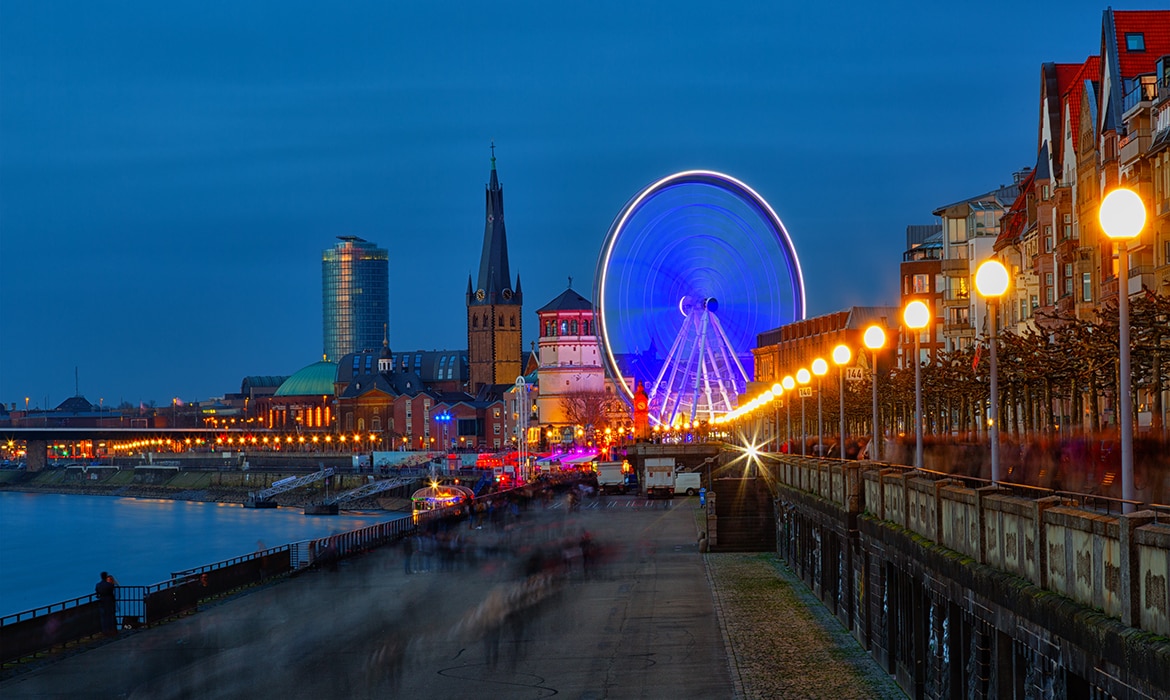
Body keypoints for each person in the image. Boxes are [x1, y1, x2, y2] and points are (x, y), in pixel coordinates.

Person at [95, 571, 118, 637]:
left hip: (102, 601)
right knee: (110, 615)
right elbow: (111, 592)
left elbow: (97, 592)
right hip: (109, 600)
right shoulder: (109, 585)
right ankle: (112, 629)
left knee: (103, 616)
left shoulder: (98, 585)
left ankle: (105, 630)